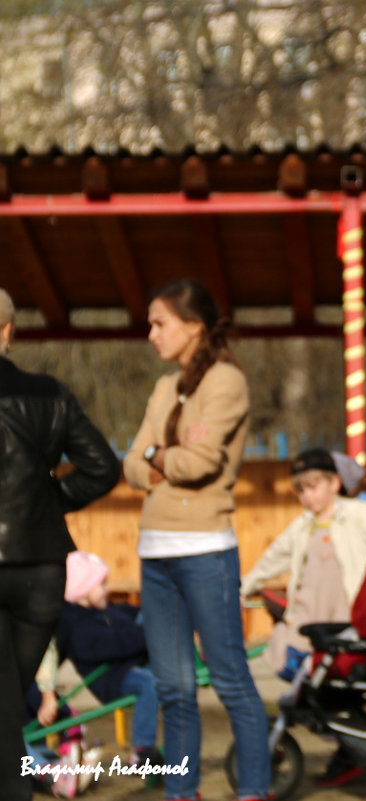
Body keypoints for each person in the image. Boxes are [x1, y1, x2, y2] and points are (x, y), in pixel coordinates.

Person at [123, 278, 270, 801]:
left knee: (230, 680)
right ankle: (181, 791)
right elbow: (130, 462)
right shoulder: (165, 387)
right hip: (154, 553)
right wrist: (154, 461)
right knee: (173, 689)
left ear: (193, 326)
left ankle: (254, 789)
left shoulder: (226, 381)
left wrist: (153, 458)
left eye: (159, 322)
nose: (151, 334)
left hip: (206, 551)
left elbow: (199, 462)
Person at [0, 287, 120, 801]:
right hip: (44, 572)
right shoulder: (50, 392)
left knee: (4, 710)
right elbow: (103, 468)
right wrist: (44, 505)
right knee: (6, 706)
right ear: (8, 330)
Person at [240, 448, 366, 677]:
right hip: (310, 610)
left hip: (345, 609)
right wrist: (244, 587)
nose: (307, 496)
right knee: (293, 656)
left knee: (339, 663)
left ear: (334, 483)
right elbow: (273, 559)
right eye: (300, 491)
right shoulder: (302, 525)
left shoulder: (359, 514)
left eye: (313, 487)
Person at [56, 550, 162, 767]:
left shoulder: (105, 610)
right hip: (111, 680)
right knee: (147, 683)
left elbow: (130, 616)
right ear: (83, 591)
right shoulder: (77, 625)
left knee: (156, 613)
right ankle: (141, 752)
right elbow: (116, 645)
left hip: (130, 666)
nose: (107, 589)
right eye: (101, 584)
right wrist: (149, 634)